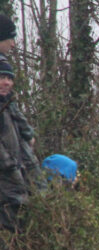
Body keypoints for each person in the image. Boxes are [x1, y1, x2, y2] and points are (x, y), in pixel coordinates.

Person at [0, 59, 34, 231]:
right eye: (1, 77)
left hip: (15, 171)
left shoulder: (8, 106)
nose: (6, 82)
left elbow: (26, 135)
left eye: (9, 78)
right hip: (6, 174)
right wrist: (9, 165)